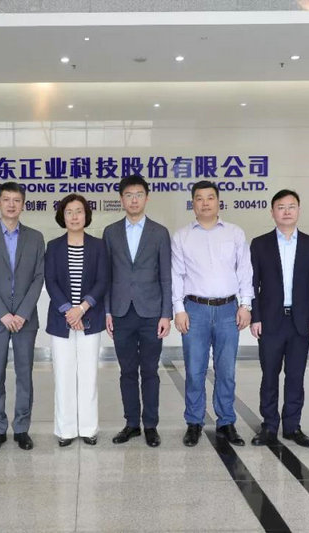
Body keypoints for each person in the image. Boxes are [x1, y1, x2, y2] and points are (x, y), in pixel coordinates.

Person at [171, 180, 253, 447]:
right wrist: (179, 309)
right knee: (194, 370)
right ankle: (194, 422)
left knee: (226, 370)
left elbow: (245, 271)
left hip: (229, 309)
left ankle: (226, 421)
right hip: (194, 310)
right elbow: (177, 275)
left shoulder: (235, 233)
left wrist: (245, 305)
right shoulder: (182, 236)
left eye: (210, 197)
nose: (205, 203)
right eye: (199, 198)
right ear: (192, 203)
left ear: (218, 201)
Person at [0, 182, 45, 452]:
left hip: (25, 319)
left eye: (16, 200)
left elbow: (39, 277)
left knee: (25, 374)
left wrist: (22, 314)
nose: (11, 204)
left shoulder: (35, 237)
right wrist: (3, 314)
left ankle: (22, 428)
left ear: (23, 204)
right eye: (6, 199)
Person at [249, 189, 309, 448]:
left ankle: (292, 426)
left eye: (291, 206)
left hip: (300, 322)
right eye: (281, 207)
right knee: (269, 375)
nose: (286, 211)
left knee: (295, 376)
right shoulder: (260, 244)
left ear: (299, 210)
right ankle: (269, 426)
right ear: (272, 212)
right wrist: (255, 317)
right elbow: (252, 284)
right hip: (270, 321)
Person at [102, 175, 171, 448]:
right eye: (129, 195)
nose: (134, 200)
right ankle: (131, 423)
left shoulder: (159, 232)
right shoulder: (110, 232)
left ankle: (151, 425)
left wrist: (166, 314)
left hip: (151, 312)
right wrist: (108, 311)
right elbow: (107, 276)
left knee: (150, 370)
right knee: (127, 371)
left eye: (139, 194)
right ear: (121, 199)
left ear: (147, 198)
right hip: (121, 312)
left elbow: (165, 276)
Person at [44, 194, 108, 447]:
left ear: (86, 215)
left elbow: (102, 280)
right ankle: (66, 430)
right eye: (69, 212)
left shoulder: (98, 246)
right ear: (62, 216)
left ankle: (89, 428)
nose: (74, 216)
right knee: (63, 375)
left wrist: (81, 309)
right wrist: (69, 311)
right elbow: (51, 281)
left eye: (78, 211)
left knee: (88, 375)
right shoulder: (53, 246)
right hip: (61, 320)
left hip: (90, 318)